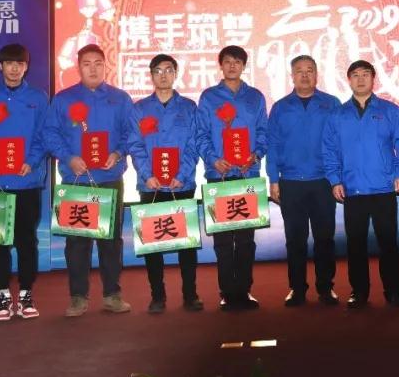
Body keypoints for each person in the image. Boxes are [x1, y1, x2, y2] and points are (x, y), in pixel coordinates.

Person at [43, 44, 135, 317]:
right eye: (87, 64)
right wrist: (68, 157)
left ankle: (112, 294)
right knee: (77, 243)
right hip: (76, 180)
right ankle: (77, 297)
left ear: (106, 66)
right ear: (78, 67)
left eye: (98, 63)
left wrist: (118, 153)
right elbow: (50, 134)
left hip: (109, 178)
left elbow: (131, 133)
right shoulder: (63, 99)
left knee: (111, 241)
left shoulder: (121, 99)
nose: (93, 69)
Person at [322, 59, 399, 308]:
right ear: (348, 80)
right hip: (353, 188)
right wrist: (335, 180)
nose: (360, 79)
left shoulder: (390, 110)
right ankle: (359, 292)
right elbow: (329, 150)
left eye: (365, 74)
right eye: (355, 75)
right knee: (356, 244)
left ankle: (394, 291)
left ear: (373, 79)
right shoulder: (338, 115)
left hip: (383, 187)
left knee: (388, 242)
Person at [0, 43, 48, 321]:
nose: (14, 68)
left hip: (27, 181)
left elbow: (43, 135)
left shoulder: (38, 98)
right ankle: (3, 295)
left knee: (27, 241)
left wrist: (32, 160)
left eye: (20, 64)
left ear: (26, 67)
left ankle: (27, 294)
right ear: (0, 66)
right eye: (9, 63)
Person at [196, 45, 268, 310]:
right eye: (227, 61)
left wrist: (256, 155)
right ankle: (227, 291)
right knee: (224, 240)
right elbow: (201, 134)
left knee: (247, 239)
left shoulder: (255, 97)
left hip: (247, 175)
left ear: (244, 66)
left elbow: (264, 132)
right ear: (221, 65)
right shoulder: (209, 97)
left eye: (237, 62)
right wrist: (213, 159)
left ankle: (244, 290)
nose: (232, 66)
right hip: (220, 176)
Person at [130, 53, 203, 313]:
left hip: (181, 184)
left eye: (169, 70)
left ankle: (190, 294)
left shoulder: (189, 107)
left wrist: (181, 175)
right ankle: (157, 296)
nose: (163, 75)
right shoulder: (139, 109)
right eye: (158, 71)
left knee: (187, 244)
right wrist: (146, 174)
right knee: (153, 244)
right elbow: (135, 145)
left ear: (176, 74)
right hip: (150, 185)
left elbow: (194, 145)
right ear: (151, 75)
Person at [266, 55, 341, 307]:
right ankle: (297, 289)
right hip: (291, 182)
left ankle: (325, 288)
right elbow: (273, 145)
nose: (305, 75)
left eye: (310, 70)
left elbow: (339, 142)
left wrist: (338, 177)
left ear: (317, 74)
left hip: (323, 181)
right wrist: (273, 179)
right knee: (295, 239)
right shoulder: (280, 107)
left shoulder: (331, 103)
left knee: (324, 238)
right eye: (299, 71)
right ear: (292, 76)